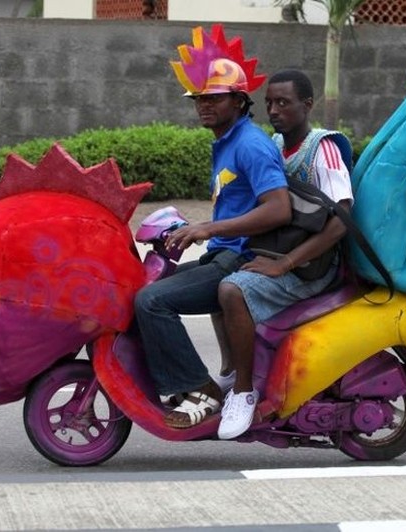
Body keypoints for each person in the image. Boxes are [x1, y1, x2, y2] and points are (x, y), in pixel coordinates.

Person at [134, 27, 290, 430]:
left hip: (240, 259)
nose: (204, 105)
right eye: (199, 99)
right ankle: (181, 382)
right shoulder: (225, 142)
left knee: (152, 301)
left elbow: (279, 208)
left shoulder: (250, 144)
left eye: (214, 98)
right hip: (221, 253)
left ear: (239, 101)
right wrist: (190, 229)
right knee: (139, 290)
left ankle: (201, 391)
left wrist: (208, 228)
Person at [215, 69, 355, 439]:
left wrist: (285, 263)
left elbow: (342, 220)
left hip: (313, 266)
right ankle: (232, 370)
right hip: (282, 254)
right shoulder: (274, 145)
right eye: (269, 103)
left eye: (284, 103)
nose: (275, 111)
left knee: (232, 290)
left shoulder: (322, 149)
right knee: (213, 273)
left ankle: (243, 393)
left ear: (307, 105)